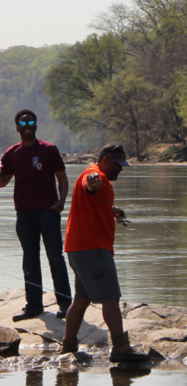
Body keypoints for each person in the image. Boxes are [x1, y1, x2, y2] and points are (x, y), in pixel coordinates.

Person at [61, 144, 149, 362]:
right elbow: (90, 185)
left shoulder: (99, 178)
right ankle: (121, 349)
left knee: (81, 299)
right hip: (93, 250)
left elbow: (93, 197)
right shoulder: (94, 175)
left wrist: (111, 209)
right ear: (105, 160)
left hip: (77, 248)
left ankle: (69, 346)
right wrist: (93, 182)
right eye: (117, 165)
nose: (120, 169)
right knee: (111, 298)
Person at [0, 109, 72, 322]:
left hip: (48, 212)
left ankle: (66, 304)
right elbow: (2, 182)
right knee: (30, 261)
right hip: (25, 215)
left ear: (36, 126)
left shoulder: (49, 150)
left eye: (31, 121)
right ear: (17, 128)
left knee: (56, 258)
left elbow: (63, 179)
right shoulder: (12, 154)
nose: (27, 125)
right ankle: (34, 306)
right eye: (23, 123)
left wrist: (62, 201)